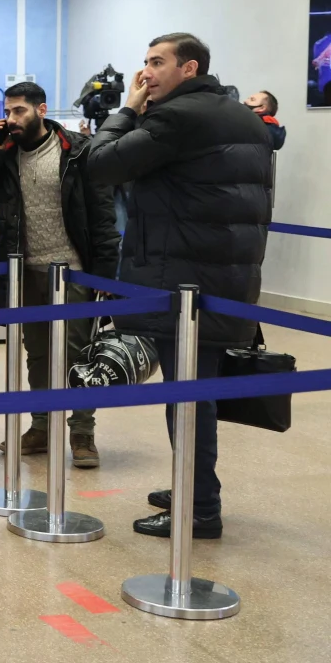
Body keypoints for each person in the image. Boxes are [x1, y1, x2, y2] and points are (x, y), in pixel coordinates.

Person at [89, 33, 273, 539]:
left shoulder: (177, 118)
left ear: (189, 68)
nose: (145, 72)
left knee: (188, 398)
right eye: (144, 62)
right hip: (223, 277)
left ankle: (200, 507)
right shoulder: (242, 116)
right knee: (194, 393)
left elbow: (100, 165)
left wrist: (126, 110)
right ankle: (193, 484)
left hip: (183, 282)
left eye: (156, 62)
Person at [0, 81, 120, 469]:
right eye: (7, 112)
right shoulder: (6, 155)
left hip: (73, 270)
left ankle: (82, 432)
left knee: (77, 355)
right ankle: (41, 426)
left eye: (19, 111)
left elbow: (103, 220)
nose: (11, 119)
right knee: (37, 353)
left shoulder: (78, 151)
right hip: (26, 269)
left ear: (41, 110)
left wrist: (104, 279)